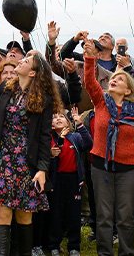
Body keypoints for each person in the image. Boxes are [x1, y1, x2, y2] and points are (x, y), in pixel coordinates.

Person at [0, 50, 60, 256]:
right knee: (2, 216)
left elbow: (43, 137)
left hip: (27, 164)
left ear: (33, 73)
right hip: (2, 160)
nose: (20, 61)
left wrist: (42, 169)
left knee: (24, 217)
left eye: (26, 60)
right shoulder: (5, 88)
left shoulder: (44, 98)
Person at [83, 42, 134, 256]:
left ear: (128, 89)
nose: (114, 80)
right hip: (100, 165)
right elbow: (89, 81)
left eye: (119, 79)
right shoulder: (101, 102)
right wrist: (89, 58)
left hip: (128, 168)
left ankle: (126, 251)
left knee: (124, 215)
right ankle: (104, 252)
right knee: (104, 215)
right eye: (113, 78)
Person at [42, 107, 90, 256]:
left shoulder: (75, 136)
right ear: (51, 124)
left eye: (61, 117)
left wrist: (80, 124)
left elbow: (88, 144)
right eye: (54, 117)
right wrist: (51, 153)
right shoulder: (49, 139)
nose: (57, 118)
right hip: (56, 180)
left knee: (74, 214)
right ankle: (54, 245)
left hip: (73, 179)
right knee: (56, 213)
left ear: (68, 122)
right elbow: (50, 156)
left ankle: (74, 246)